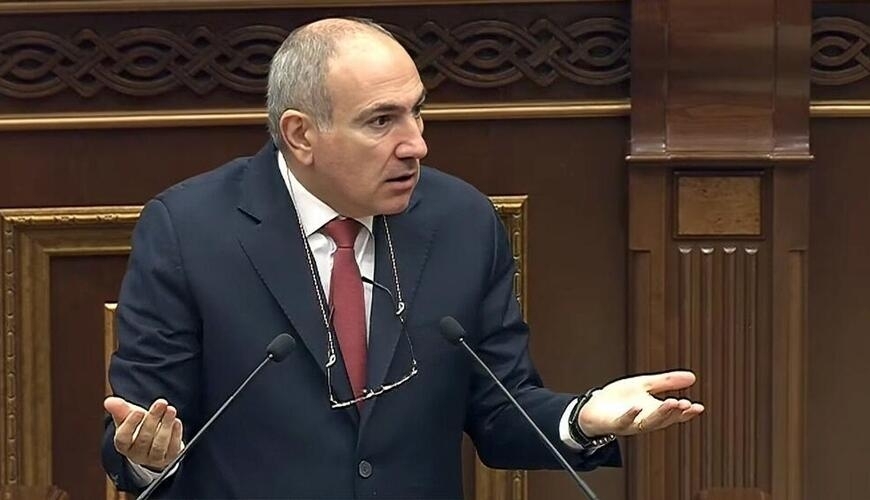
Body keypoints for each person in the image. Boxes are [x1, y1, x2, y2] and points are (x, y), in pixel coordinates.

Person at [102, 17, 704, 499]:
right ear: (301, 134)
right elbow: (137, 432)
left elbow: (501, 410)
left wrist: (584, 417)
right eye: (381, 121)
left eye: (416, 111)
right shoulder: (190, 230)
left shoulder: (461, 222)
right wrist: (149, 457)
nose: (416, 143)